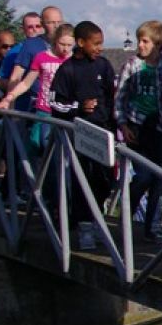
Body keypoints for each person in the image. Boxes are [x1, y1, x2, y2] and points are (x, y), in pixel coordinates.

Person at [48, 21, 117, 251]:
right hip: (80, 134)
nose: (99, 48)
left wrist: (116, 126)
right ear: (81, 43)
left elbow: (112, 97)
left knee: (105, 180)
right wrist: (78, 107)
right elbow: (55, 102)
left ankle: (97, 220)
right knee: (82, 180)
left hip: (104, 133)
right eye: (95, 44)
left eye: (101, 43)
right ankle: (85, 227)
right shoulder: (68, 69)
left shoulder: (104, 66)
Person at [116, 20, 162, 241]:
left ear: (157, 44)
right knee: (143, 176)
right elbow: (120, 97)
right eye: (139, 41)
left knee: (160, 178)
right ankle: (126, 216)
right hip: (136, 125)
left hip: (158, 127)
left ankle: (153, 226)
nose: (140, 45)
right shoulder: (131, 66)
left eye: (145, 41)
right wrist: (123, 124)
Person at [0, 23, 75, 150]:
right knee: (41, 145)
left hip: (67, 112)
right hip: (45, 111)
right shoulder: (42, 57)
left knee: (62, 151)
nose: (65, 49)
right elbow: (26, 83)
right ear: (55, 41)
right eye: (62, 44)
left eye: (69, 45)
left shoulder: (75, 60)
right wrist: (8, 99)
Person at [4, 6, 63, 115]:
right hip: (35, 106)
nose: (56, 26)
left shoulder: (69, 47)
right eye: (51, 22)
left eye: (59, 22)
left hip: (61, 106)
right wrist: (10, 108)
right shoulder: (31, 45)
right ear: (43, 24)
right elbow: (16, 77)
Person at [0, 12, 42, 96]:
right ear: (23, 29)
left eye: (38, 26)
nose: (35, 29)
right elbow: (0, 81)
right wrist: (23, 85)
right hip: (25, 100)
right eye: (30, 27)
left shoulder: (51, 48)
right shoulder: (15, 52)